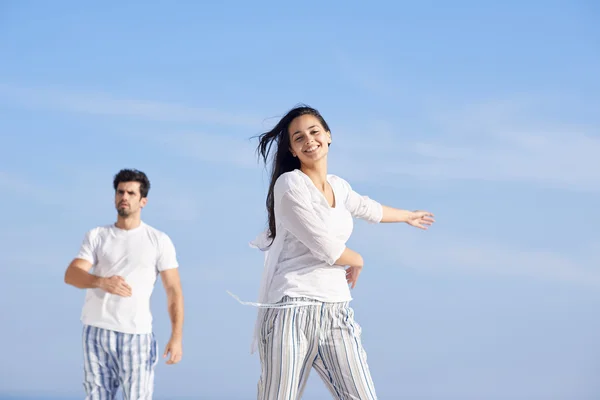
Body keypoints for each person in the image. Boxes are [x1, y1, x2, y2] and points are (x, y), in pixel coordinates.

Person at [234, 105, 435, 400]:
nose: (309, 140)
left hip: (336, 311)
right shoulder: (290, 185)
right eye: (298, 137)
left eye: (314, 132)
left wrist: (407, 215)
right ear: (291, 149)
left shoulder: (339, 187)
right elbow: (325, 246)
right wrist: (358, 260)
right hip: (292, 309)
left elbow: (369, 208)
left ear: (328, 136)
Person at [64, 168, 184, 400]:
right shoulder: (97, 236)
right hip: (96, 332)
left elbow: (173, 291)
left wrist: (176, 337)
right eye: (120, 192)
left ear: (143, 201)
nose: (124, 197)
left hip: (137, 335)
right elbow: (72, 274)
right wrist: (101, 282)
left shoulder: (158, 240)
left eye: (131, 193)